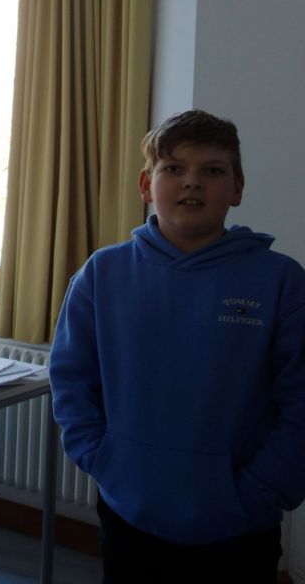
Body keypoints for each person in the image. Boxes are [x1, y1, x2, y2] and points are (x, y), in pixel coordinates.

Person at [49, 109, 305, 582]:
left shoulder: (281, 282)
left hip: (240, 526)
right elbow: (71, 380)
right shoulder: (102, 274)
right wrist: (104, 461)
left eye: (213, 171)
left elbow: (300, 403)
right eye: (174, 168)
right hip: (129, 513)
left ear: (237, 189)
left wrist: (261, 489)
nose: (192, 182)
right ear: (146, 185)